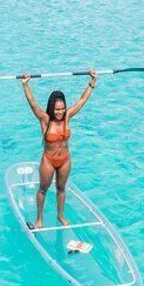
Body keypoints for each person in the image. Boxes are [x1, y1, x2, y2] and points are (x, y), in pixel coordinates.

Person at [21, 69, 97, 229]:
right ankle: (39, 218)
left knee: (61, 189)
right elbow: (33, 104)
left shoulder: (68, 116)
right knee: (43, 189)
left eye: (62, 108)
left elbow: (82, 100)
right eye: (57, 109)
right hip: (48, 160)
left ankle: (60, 215)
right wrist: (25, 85)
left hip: (65, 160)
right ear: (51, 108)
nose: (61, 112)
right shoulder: (44, 119)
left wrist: (92, 82)